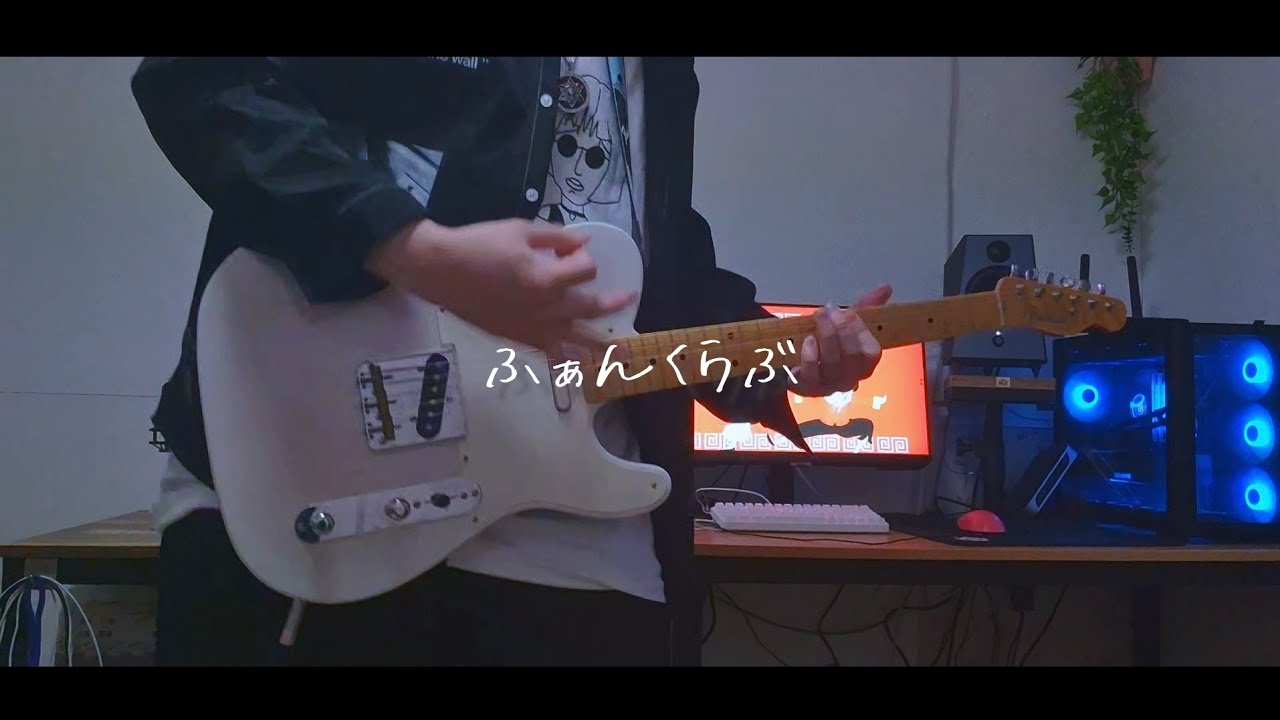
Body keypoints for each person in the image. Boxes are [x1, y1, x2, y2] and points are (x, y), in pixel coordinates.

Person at [131, 56, 890, 666]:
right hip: (329, 484)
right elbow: (200, 79)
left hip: (582, 541)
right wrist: (414, 250)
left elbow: (657, 260)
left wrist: (783, 358)